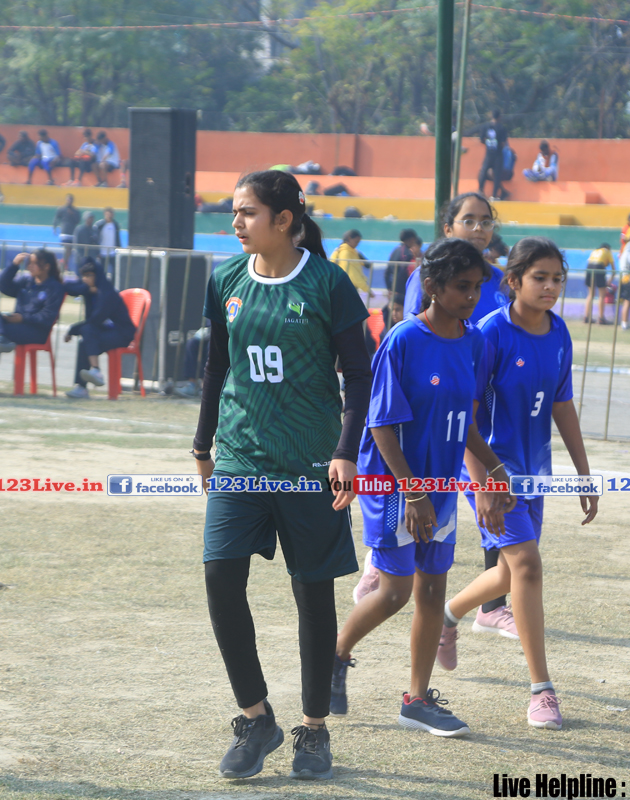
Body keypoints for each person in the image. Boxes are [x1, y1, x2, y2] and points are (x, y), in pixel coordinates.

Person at [191, 169, 371, 781]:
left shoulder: (328, 282)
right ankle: (256, 718)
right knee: (220, 579)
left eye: (246, 212)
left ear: (284, 219)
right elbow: (216, 367)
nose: (236, 222)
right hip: (240, 459)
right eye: (234, 212)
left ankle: (314, 731)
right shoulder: (226, 279)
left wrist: (346, 451)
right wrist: (202, 444)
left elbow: (359, 375)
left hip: (310, 465)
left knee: (312, 594)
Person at [329, 238, 507, 738]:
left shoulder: (474, 342)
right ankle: (334, 655)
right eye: (461, 286)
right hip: (396, 487)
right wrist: (412, 493)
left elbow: (464, 421)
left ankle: (417, 699)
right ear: (431, 286)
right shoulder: (404, 339)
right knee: (395, 592)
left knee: (433, 589)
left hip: (442, 486)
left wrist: (494, 468)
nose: (471, 296)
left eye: (477, 287)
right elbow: (382, 424)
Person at [441, 236, 597, 731]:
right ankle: (541, 690)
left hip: (535, 475)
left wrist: (584, 474)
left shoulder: (560, 332)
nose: (550, 287)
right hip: (494, 473)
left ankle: (449, 615)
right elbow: (465, 417)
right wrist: (482, 484)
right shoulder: (489, 333)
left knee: (511, 573)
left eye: (558, 279)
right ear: (513, 281)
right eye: (539, 278)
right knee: (527, 566)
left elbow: (562, 404)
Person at [0, 250, 64, 397]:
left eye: (34, 263)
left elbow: (47, 318)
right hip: (17, 324)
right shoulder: (26, 282)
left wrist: (23, 318)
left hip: (36, 331)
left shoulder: (55, 287)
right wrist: (13, 266)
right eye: (29, 263)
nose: (30, 266)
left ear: (46, 266)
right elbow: (2, 286)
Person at [402, 193, 506, 325]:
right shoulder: (428, 275)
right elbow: (414, 329)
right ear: (448, 230)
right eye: (469, 222)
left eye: (486, 223)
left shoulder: (498, 278)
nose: (479, 228)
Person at [63, 259, 137, 399]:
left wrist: (72, 330)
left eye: (88, 275)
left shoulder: (108, 294)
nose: (85, 279)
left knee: (87, 332)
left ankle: (96, 371)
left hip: (122, 333)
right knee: (84, 342)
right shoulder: (89, 291)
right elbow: (73, 289)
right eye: (83, 276)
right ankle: (82, 387)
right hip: (106, 330)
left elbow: (96, 319)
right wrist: (60, 282)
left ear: (97, 276)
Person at [477, 111, 511, 200]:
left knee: (483, 171)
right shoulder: (502, 128)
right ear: (499, 117)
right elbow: (503, 143)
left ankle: (480, 191)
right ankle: (494, 195)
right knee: (497, 175)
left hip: (488, 154)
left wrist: (489, 144)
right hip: (498, 155)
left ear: (492, 116)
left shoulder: (485, 126)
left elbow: (481, 139)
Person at [330, 230, 372, 302]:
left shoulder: (351, 251)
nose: (357, 244)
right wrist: (366, 289)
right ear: (349, 239)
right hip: (345, 287)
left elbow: (367, 265)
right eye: (356, 242)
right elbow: (352, 274)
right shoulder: (346, 253)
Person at [384, 229, 421, 297]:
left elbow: (387, 271)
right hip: (401, 290)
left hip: (393, 287)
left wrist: (389, 287)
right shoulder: (407, 254)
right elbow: (403, 272)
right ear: (412, 239)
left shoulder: (396, 250)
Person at [583, 243, 613, 325]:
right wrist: (610, 280)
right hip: (599, 266)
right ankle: (601, 318)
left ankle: (586, 317)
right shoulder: (607, 251)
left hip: (589, 267)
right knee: (602, 295)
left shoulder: (595, 251)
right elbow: (613, 269)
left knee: (590, 294)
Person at [54, 195, 81, 266]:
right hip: (64, 232)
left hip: (72, 233)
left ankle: (63, 262)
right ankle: (64, 263)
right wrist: (54, 227)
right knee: (67, 248)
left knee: (70, 250)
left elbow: (78, 221)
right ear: (66, 200)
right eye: (68, 199)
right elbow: (56, 218)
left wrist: (72, 214)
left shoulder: (75, 211)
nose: (69, 201)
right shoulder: (61, 209)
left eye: (71, 200)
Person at [94, 208, 121, 277]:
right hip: (103, 252)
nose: (109, 216)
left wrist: (119, 248)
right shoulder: (100, 225)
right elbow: (96, 239)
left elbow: (118, 238)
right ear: (104, 214)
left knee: (114, 271)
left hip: (113, 252)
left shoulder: (115, 225)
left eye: (111, 214)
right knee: (103, 271)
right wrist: (97, 251)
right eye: (108, 214)